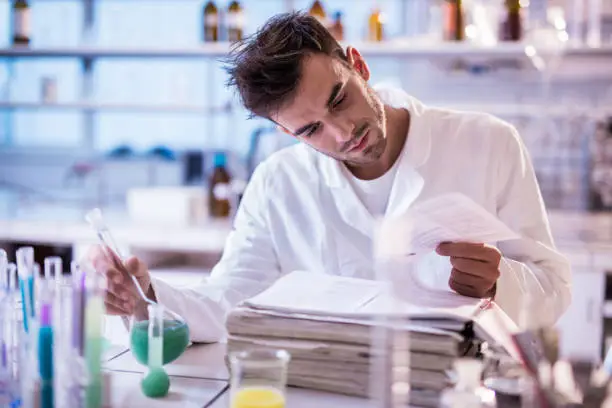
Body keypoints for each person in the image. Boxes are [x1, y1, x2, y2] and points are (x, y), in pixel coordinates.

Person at [88, 12, 571, 342]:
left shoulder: (487, 143)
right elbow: (228, 303)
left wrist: (497, 283)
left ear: (358, 65)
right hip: (327, 389)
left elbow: (554, 290)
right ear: (286, 131)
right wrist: (148, 297)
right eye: (312, 128)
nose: (344, 133)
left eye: (339, 98)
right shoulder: (278, 184)